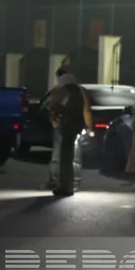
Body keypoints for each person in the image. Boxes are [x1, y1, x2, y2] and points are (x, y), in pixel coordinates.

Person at [46, 65, 87, 196]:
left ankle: (65, 187)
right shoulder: (79, 91)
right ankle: (71, 184)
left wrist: (56, 111)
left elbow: (59, 108)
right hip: (76, 127)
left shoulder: (64, 91)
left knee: (65, 158)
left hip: (67, 127)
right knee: (72, 157)